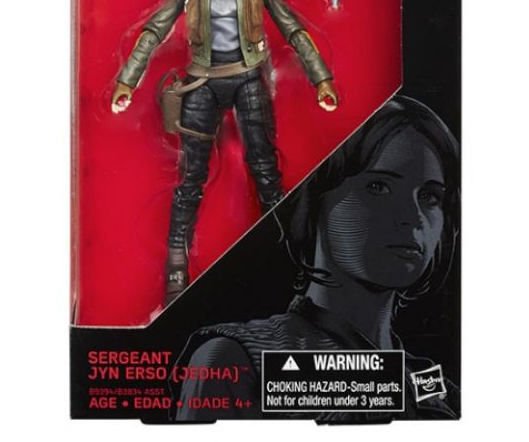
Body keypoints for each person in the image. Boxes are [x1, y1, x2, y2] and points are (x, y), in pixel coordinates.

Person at [173, 95, 460, 421]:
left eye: (430, 197)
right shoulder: (236, 359)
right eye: (378, 187)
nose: (412, 217)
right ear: (314, 199)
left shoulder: (436, 392)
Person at [111, 0, 338, 304]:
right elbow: (157, 26)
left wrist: (321, 79)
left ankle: (288, 265)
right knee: (191, 179)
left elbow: (291, 26)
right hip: (202, 82)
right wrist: (127, 80)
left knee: (266, 174)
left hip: (248, 79)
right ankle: (176, 271)